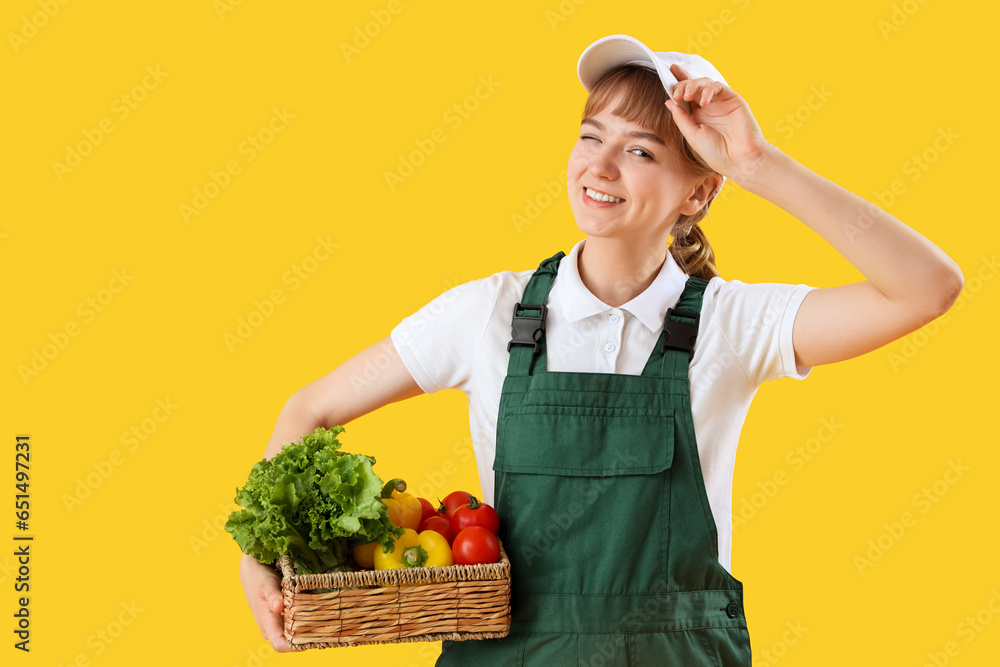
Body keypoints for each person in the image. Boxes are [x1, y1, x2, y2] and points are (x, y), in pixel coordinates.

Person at [238, 34, 963, 665]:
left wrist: (758, 162)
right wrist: (257, 559)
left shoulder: (730, 322)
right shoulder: (487, 313)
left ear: (699, 195)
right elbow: (312, 407)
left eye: (641, 150)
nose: (601, 166)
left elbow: (926, 287)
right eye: (592, 135)